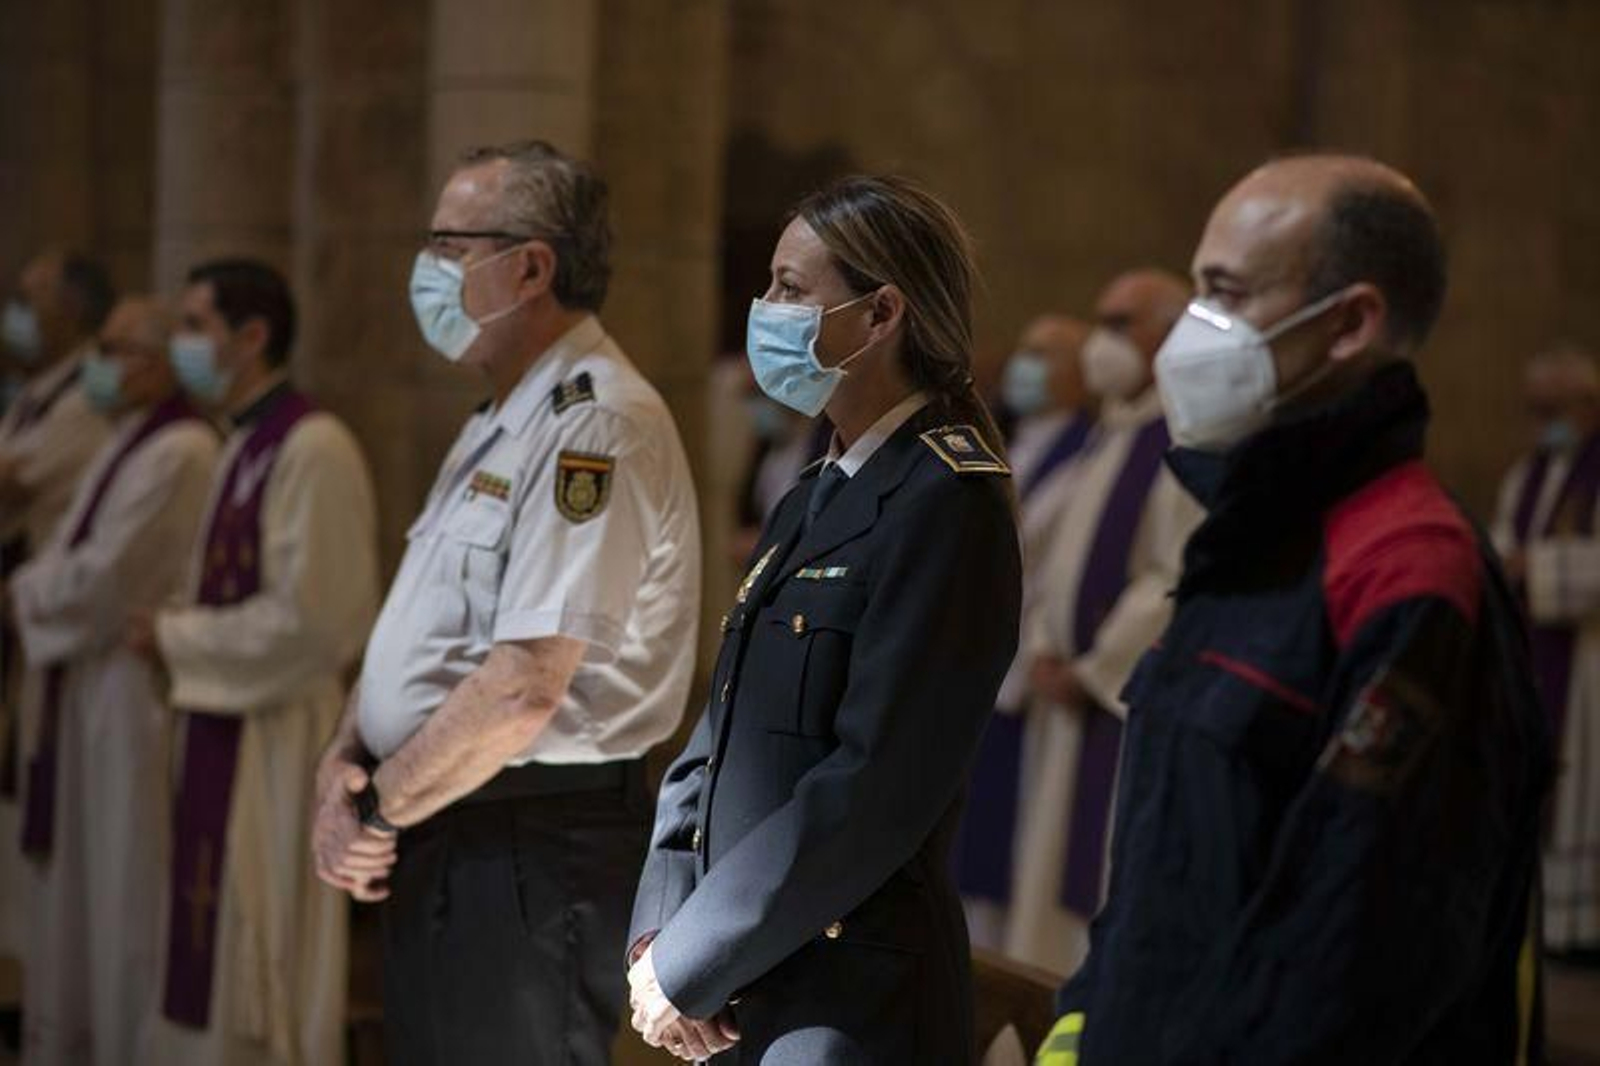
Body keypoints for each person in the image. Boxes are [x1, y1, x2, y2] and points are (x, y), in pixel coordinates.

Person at [1037, 155, 1550, 1065]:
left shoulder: (1405, 572)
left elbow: (1347, 954)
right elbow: (1164, 866)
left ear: (1351, 322)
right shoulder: (1253, 531)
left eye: (1226, 295)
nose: (1187, 337)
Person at [311, 140, 701, 1066]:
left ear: (531, 267)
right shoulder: (501, 416)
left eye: (449, 244)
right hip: (451, 822)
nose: (427, 269)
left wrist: (374, 813)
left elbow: (528, 683)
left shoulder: (593, 425)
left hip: (529, 846)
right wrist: (345, 757)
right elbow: (422, 631)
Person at [627, 175, 1022, 1065]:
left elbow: (874, 784)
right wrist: (661, 932)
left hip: (849, 1000)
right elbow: (717, 731)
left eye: (791, 289)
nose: (765, 309)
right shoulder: (815, 492)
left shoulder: (946, 501)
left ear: (881, 314)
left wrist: (693, 959)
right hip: (737, 981)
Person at [131, 259, 379, 1066]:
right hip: (222, 724)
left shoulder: (314, 445)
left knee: (263, 945)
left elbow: (315, 623)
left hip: (277, 739)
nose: (183, 344)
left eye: (196, 325)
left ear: (253, 336)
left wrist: (173, 638)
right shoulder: (241, 443)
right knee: (214, 933)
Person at [8, 295, 218, 1065]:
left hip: (129, 693)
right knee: (75, 892)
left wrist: (24, 593)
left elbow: (105, 579)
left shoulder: (184, 449)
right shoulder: (125, 438)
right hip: (80, 680)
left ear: (162, 362)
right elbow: (65, 548)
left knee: (124, 892)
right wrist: (40, 585)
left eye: (117, 347)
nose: (101, 362)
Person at [1005, 270, 1200, 975]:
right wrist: (1047, 647)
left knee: (1090, 884)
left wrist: (1089, 666)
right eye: (1100, 322)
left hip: (1109, 705)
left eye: (1122, 324)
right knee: (1041, 884)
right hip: (1063, 695)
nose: (1101, 342)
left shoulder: (1181, 436)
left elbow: (1174, 574)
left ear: (1175, 334)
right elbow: (1060, 570)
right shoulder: (1114, 433)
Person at [956, 313, 1097, 948]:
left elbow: (1056, 569)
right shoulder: (1012, 436)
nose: (1024, 367)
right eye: (1024, 351)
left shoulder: (1089, 452)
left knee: (1006, 850)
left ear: (1078, 373)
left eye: (1043, 355)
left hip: (1023, 674)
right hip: (981, 663)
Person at [0, 249, 114, 969]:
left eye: (32, 296)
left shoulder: (85, 399)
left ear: (72, 308)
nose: (19, 310)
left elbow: (12, 483)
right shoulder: (36, 391)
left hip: (62, 625)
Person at [1492, 342, 1600, 959]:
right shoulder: (1528, 473)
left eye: (1553, 408)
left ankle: (1584, 931)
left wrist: (1537, 566)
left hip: (1588, 665)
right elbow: (1506, 535)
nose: (1542, 422)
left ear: (1588, 403)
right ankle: (1553, 926)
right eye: (1535, 409)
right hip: (1538, 650)